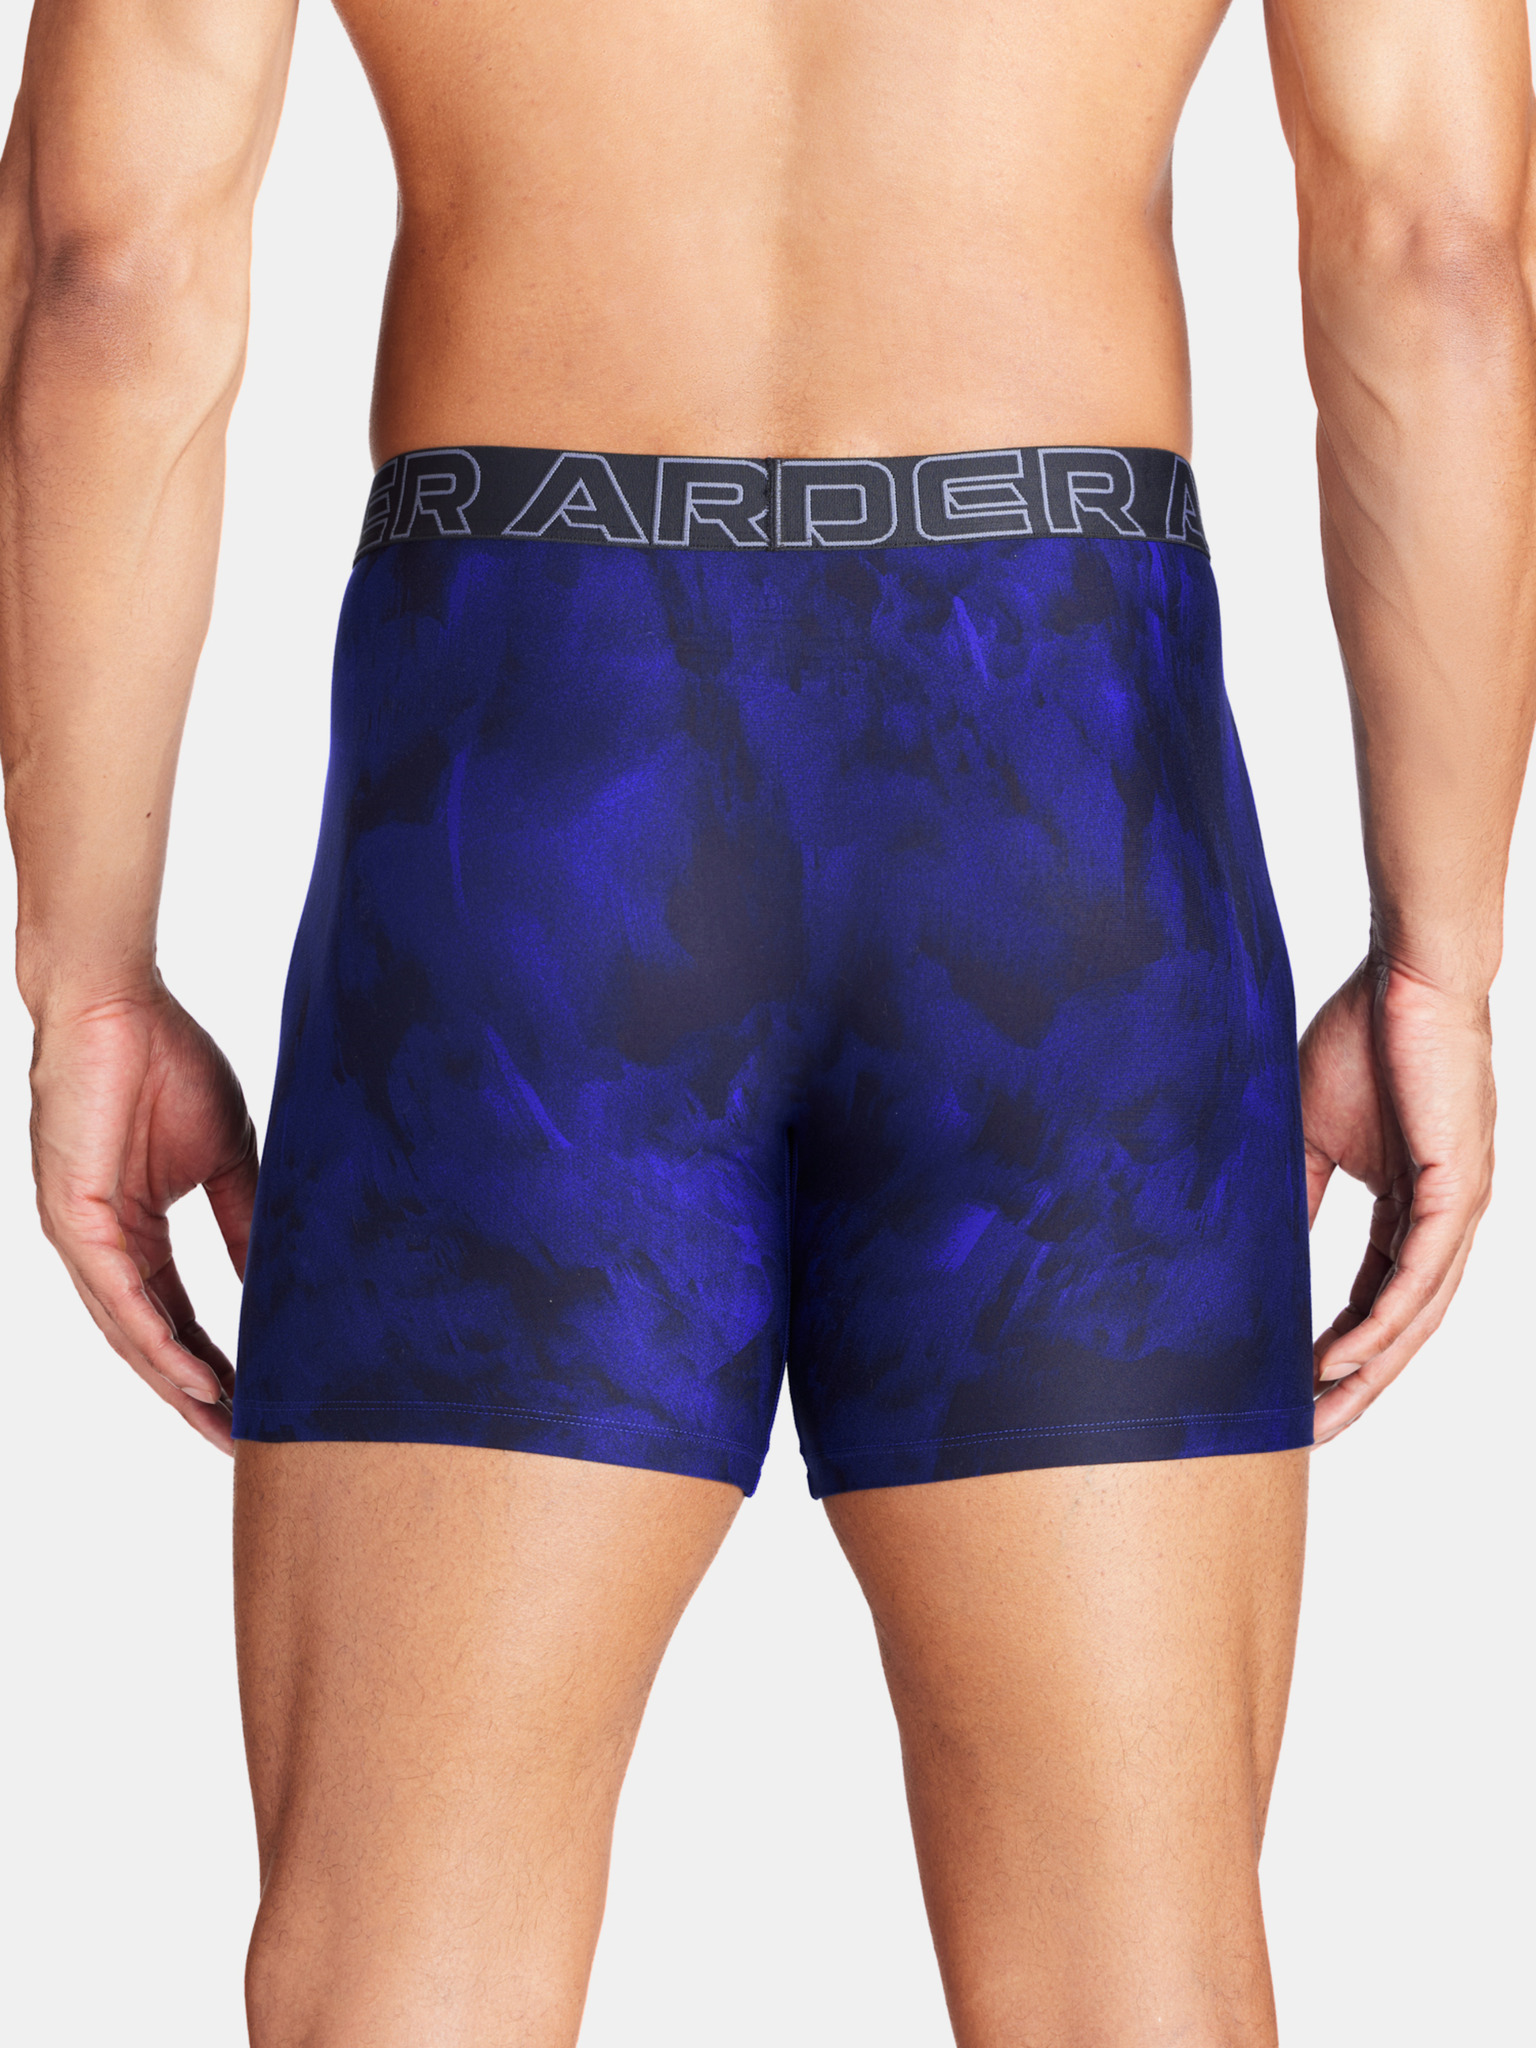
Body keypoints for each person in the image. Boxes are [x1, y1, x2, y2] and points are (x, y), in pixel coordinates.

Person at [2, 0, 1532, 2040]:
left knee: (398, 1975)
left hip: (534, 771)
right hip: (1059, 773)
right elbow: (1438, 247)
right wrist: (1440, 953)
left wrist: (87, 968)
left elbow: (110, 266)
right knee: (1133, 1970)